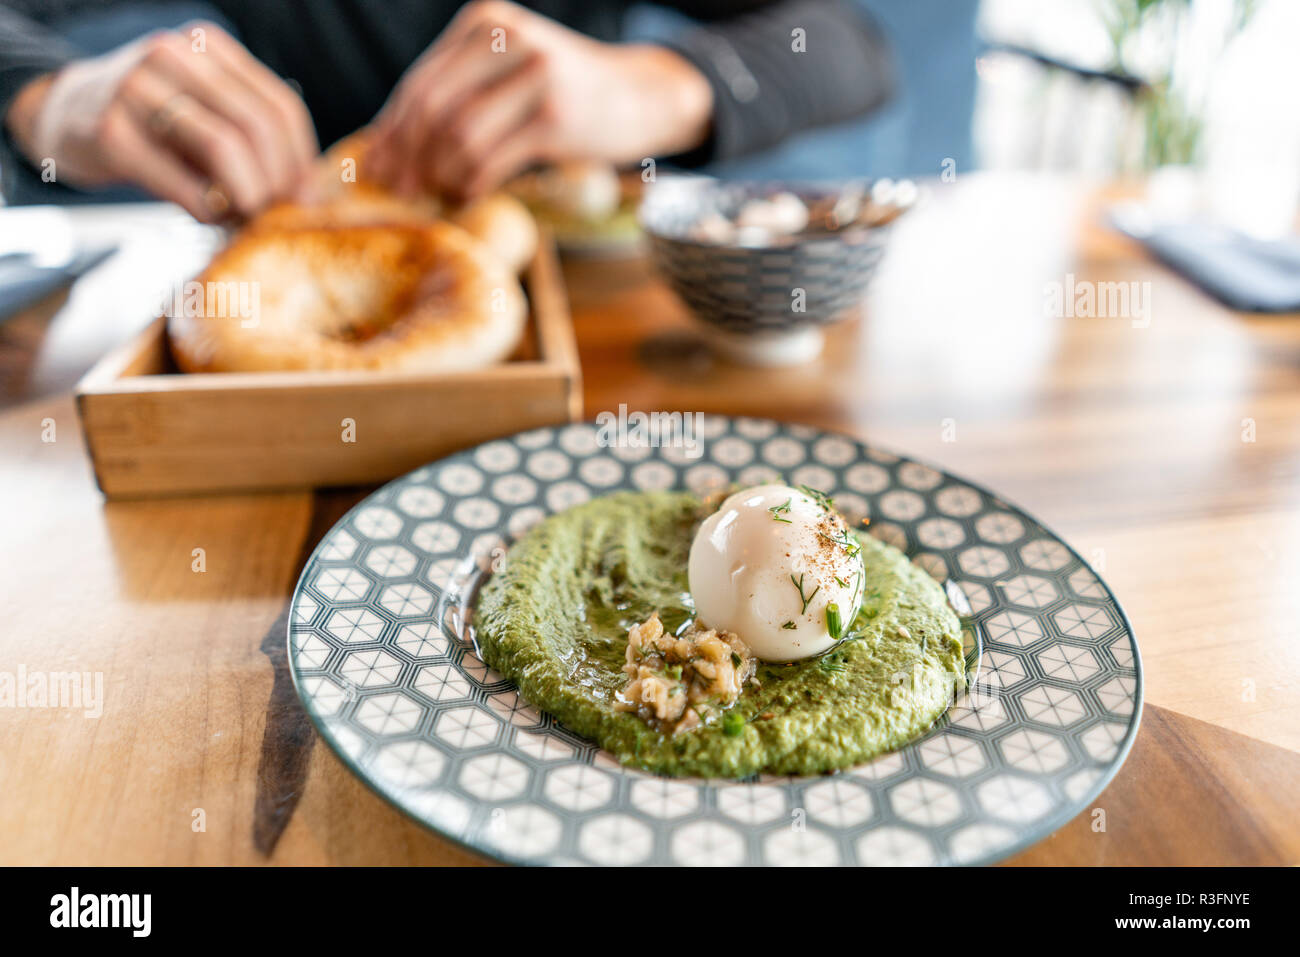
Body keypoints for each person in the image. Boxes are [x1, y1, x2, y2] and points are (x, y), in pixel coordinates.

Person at [0, 0, 894, 222]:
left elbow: (852, 44)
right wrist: (45, 97)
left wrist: (664, 85)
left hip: (580, 321)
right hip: (297, 248)